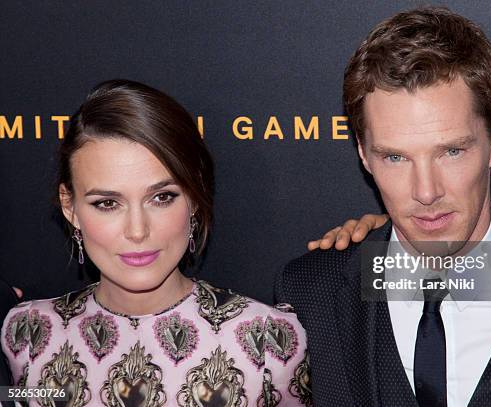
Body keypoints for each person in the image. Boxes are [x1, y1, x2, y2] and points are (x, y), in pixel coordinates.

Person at [276, 6, 491, 406]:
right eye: (395, 157)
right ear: (363, 154)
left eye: (451, 151)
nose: (426, 191)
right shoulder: (311, 291)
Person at [1, 80, 317, 406]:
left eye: (162, 197)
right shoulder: (26, 333)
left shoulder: (269, 341)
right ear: (71, 207)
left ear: (194, 198)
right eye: (107, 203)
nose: (137, 231)